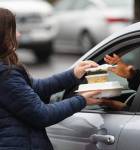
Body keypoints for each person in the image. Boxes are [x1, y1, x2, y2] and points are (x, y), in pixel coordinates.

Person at [0, 8, 102, 150]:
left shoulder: (6, 72)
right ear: (3, 36)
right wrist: (81, 100)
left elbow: (34, 87)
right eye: (14, 30)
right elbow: (42, 115)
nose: (18, 34)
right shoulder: (6, 75)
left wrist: (73, 74)